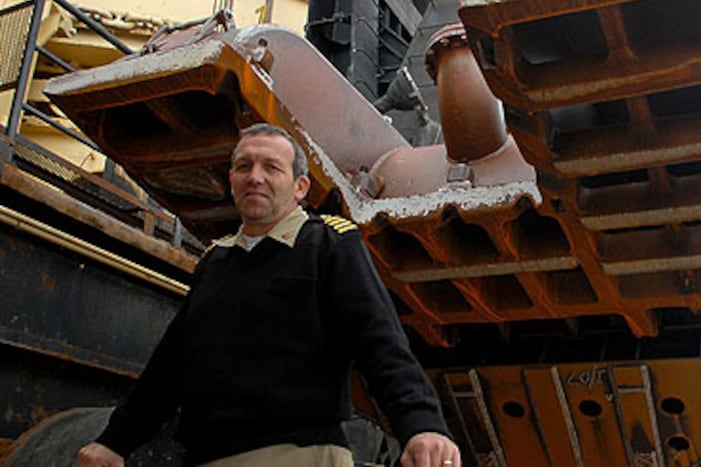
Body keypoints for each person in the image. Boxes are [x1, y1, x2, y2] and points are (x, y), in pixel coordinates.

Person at [77, 123, 460, 467]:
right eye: (244, 166)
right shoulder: (216, 261)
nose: (254, 177)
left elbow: (379, 340)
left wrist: (421, 426)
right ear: (231, 179)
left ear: (300, 187)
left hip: (297, 454)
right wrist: (114, 442)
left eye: (271, 168)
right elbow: (169, 367)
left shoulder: (327, 243)